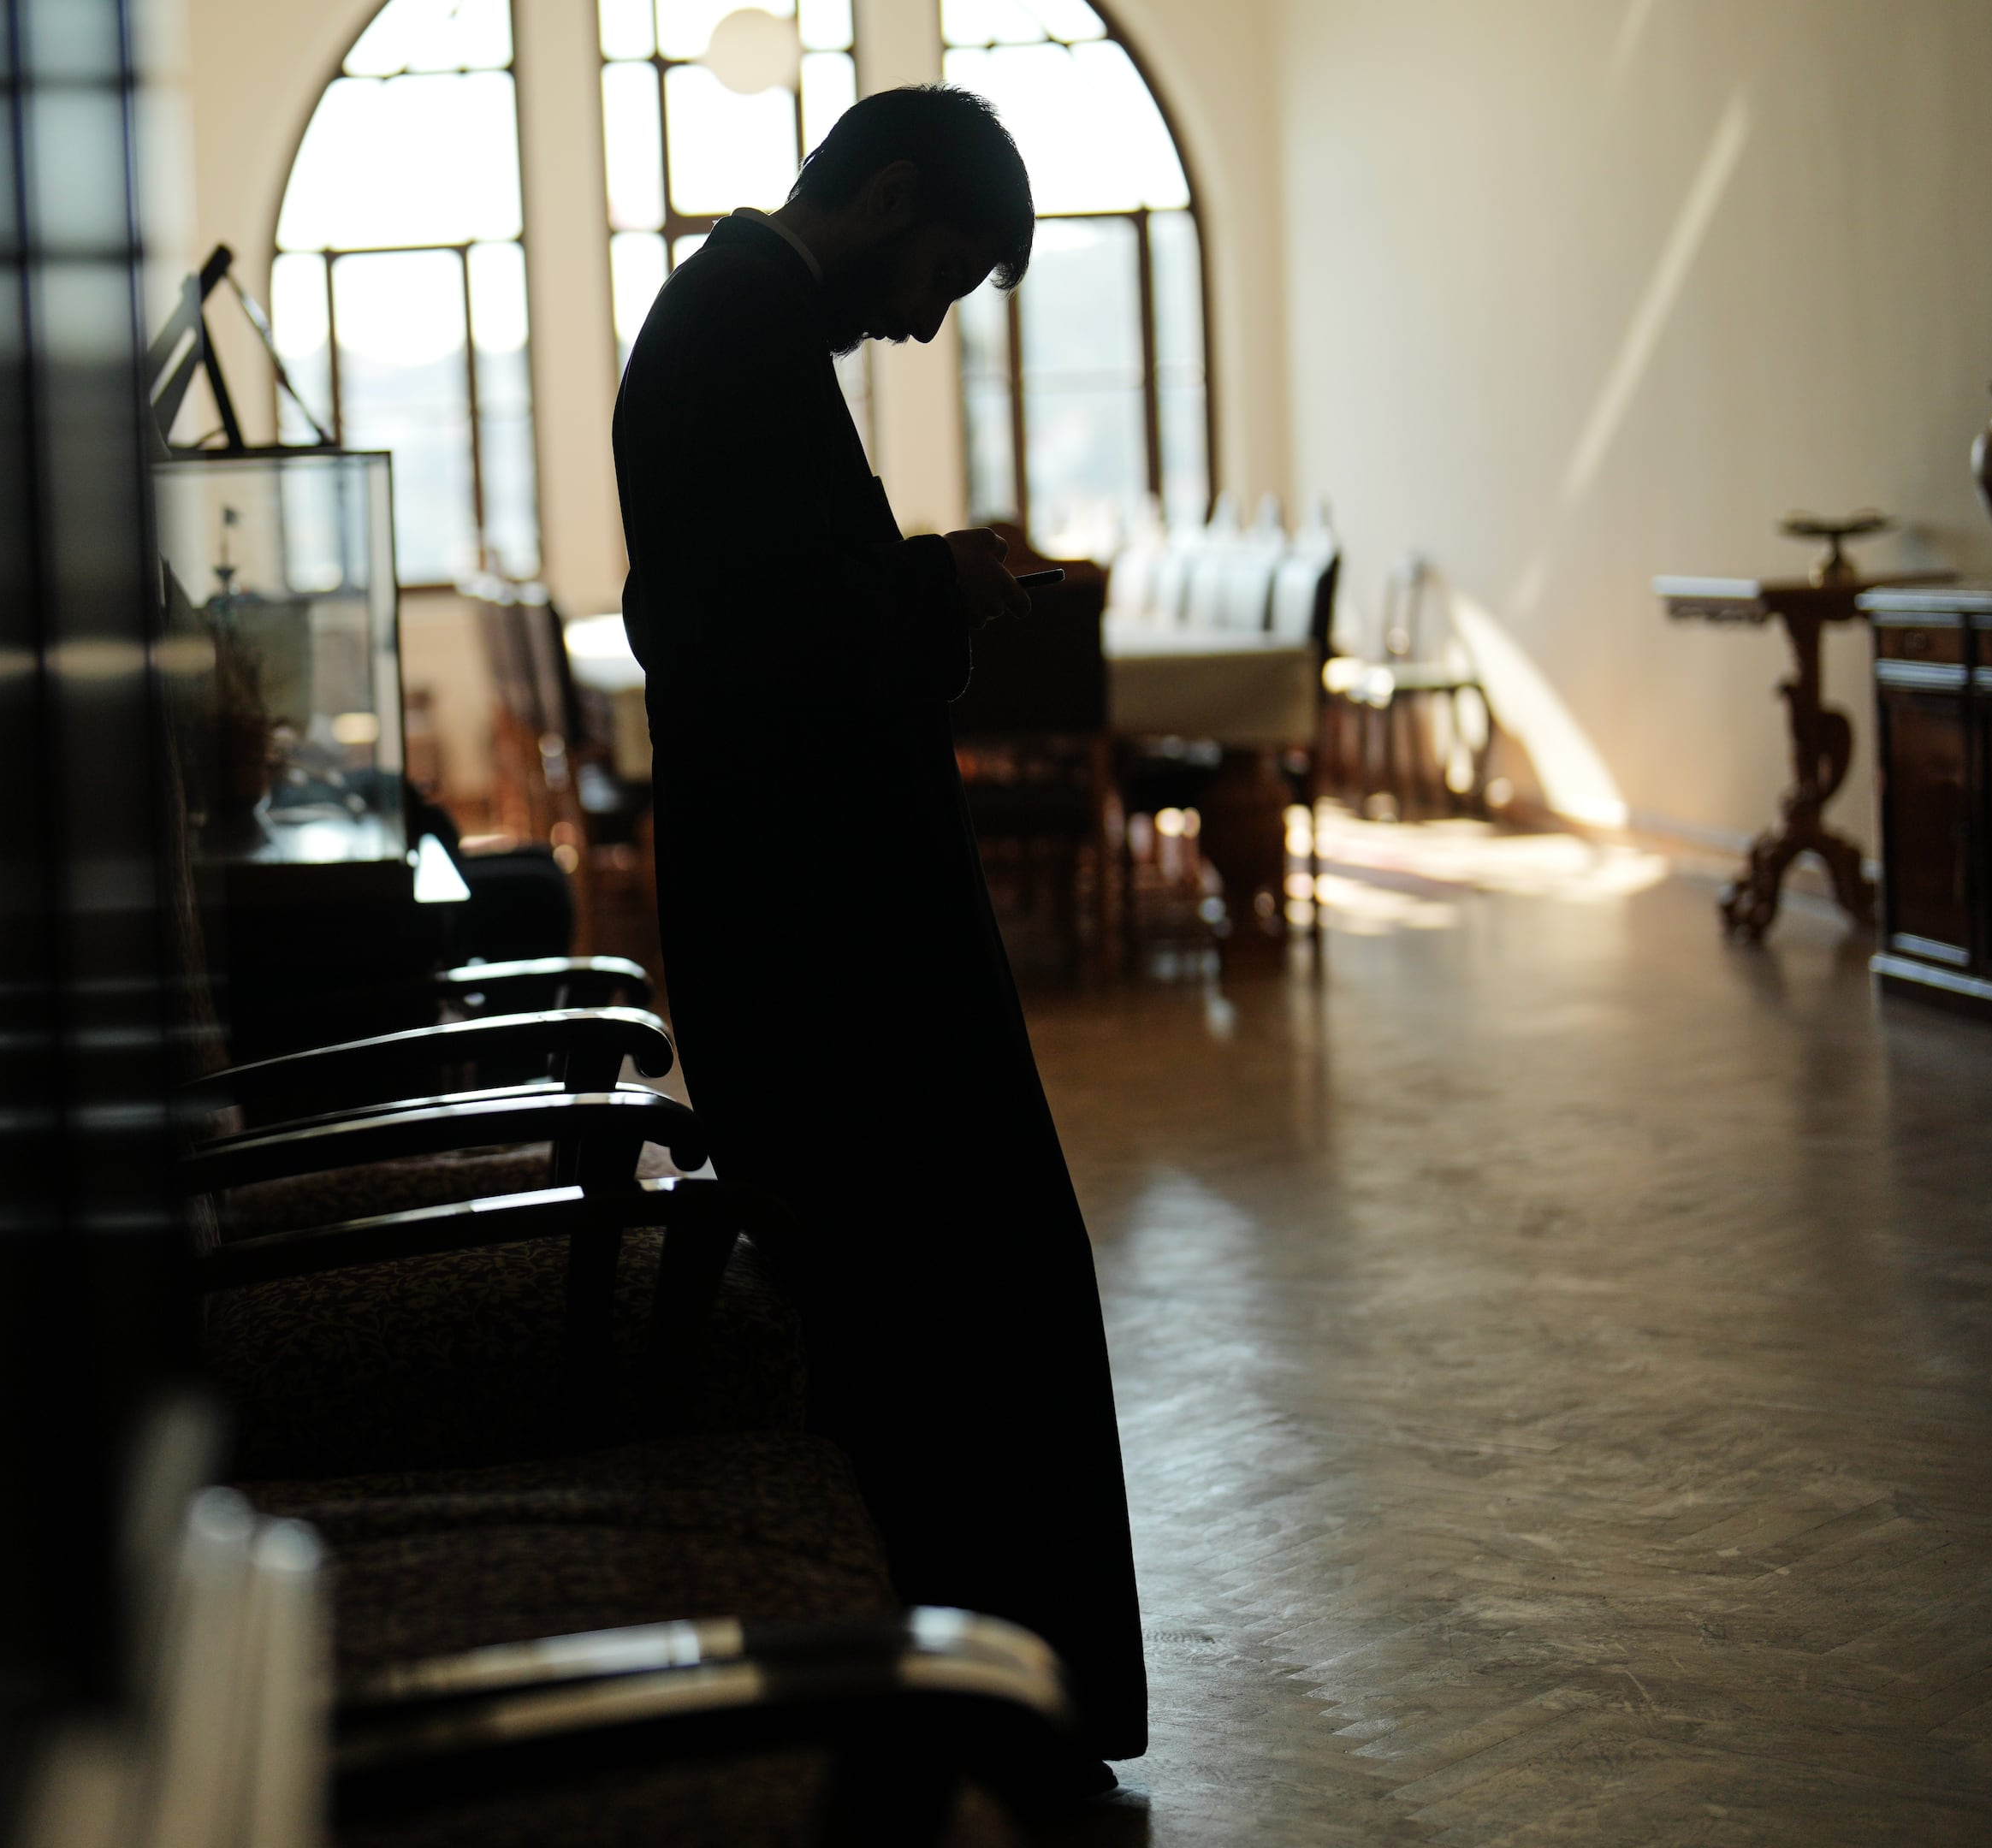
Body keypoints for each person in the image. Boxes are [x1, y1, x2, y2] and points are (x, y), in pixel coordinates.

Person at [612, 86, 1147, 1770]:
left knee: (945, 1292)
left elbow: (742, 605)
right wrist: (942, 589)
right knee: (960, 1288)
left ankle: (962, 1676)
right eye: (943, 272)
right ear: (888, 192)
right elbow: (782, 648)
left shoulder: (738, 323)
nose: (927, 318)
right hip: (833, 935)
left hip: (809, 908)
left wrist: (909, 579)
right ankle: (981, 1691)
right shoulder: (743, 335)